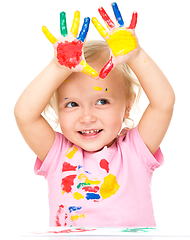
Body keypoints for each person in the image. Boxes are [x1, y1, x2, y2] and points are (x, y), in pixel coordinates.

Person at [14, 3, 175, 227]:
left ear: (127, 107)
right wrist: (59, 68)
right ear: (57, 110)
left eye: (102, 101)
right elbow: (25, 115)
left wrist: (136, 56)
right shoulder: (58, 154)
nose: (87, 117)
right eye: (71, 104)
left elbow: (163, 103)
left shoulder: (135, 150)